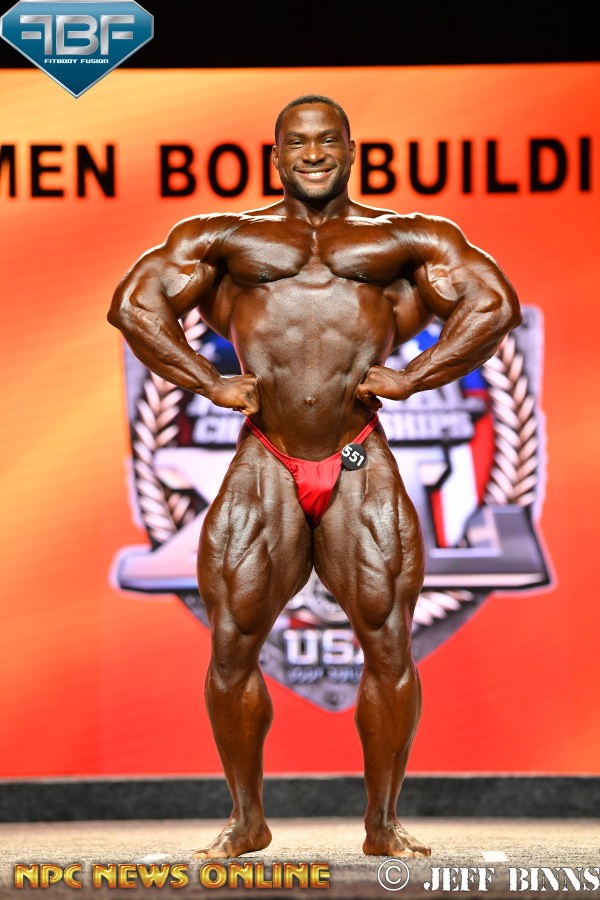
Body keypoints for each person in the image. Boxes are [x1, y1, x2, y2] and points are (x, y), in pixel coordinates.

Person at [108, 94, 521, 859]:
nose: (314, 153)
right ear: (276, 156)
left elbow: (492, 303)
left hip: (357, 451)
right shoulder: (228, 235)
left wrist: (418, 374)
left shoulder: (402, 236)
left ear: (352, 150)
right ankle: (247, 820)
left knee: (389, 642)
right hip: (266, 454)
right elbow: (135, 304)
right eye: (297, 142)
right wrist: (206, 381)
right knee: (232, 645)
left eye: (328, 139)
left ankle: (382, 825)